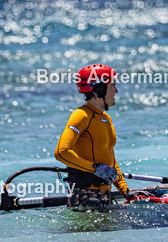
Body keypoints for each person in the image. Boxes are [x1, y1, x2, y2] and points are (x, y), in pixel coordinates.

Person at [55, 64, 130, 210]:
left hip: (104, 194)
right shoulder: (81, 115)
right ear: (98, 90)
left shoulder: (106, 118)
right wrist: (94, 169)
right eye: (112, 86)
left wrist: (125, 191)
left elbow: (110, 160)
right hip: (84, 195)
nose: (116, 90)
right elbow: (61, 152)